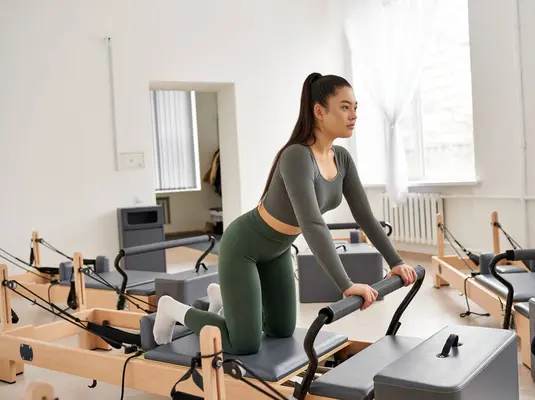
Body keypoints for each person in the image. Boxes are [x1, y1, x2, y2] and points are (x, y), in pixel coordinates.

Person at [153, 72, 418, 355]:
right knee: (244, 343)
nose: (353, 115)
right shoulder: (296, 156)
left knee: (281, 330)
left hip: (277, 251)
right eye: (344, 107)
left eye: (355, 107)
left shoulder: (342, 158)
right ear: (319, 111)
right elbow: (313, 223)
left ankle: (226, 300)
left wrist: (396, 261)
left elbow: (364, 216)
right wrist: (347, 285)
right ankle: (172, 308)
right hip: (243, 248)